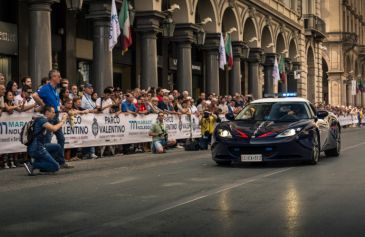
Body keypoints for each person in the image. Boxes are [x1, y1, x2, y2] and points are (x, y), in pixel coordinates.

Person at [32, 69, 73, 168]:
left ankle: (61, 161)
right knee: (47, 141)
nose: (60, 78)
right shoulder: (46, 88)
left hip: (56, 115)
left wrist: (63, 108)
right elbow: (34, 95)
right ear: (53, 77)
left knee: (61, 138)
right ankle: (45, 162)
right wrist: (43, 105)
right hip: (49, 117)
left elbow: (56, 103)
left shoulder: (55, 89)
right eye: (58, 76)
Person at [24, 106, 69, 175]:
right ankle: (32, 164)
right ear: (47, 112)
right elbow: (54, 128)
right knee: (56, 167)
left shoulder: (41, 118)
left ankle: (44, 166)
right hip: (36, 148)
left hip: (39, 146)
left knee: (57, 146)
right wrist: (63, 120)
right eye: (53, 112)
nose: (54, 114)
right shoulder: (42, 120)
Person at [80, 83, 98, 159]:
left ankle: (91, 152)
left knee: (92, 134)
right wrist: (92, 110)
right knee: (87, 135)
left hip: (91, 119)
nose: (91, 90)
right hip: (85, 119)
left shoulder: (90, 98)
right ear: (85, 89)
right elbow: (81, 109)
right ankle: (87, 152)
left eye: (92, 88)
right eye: (90, 88)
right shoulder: (83, 98)